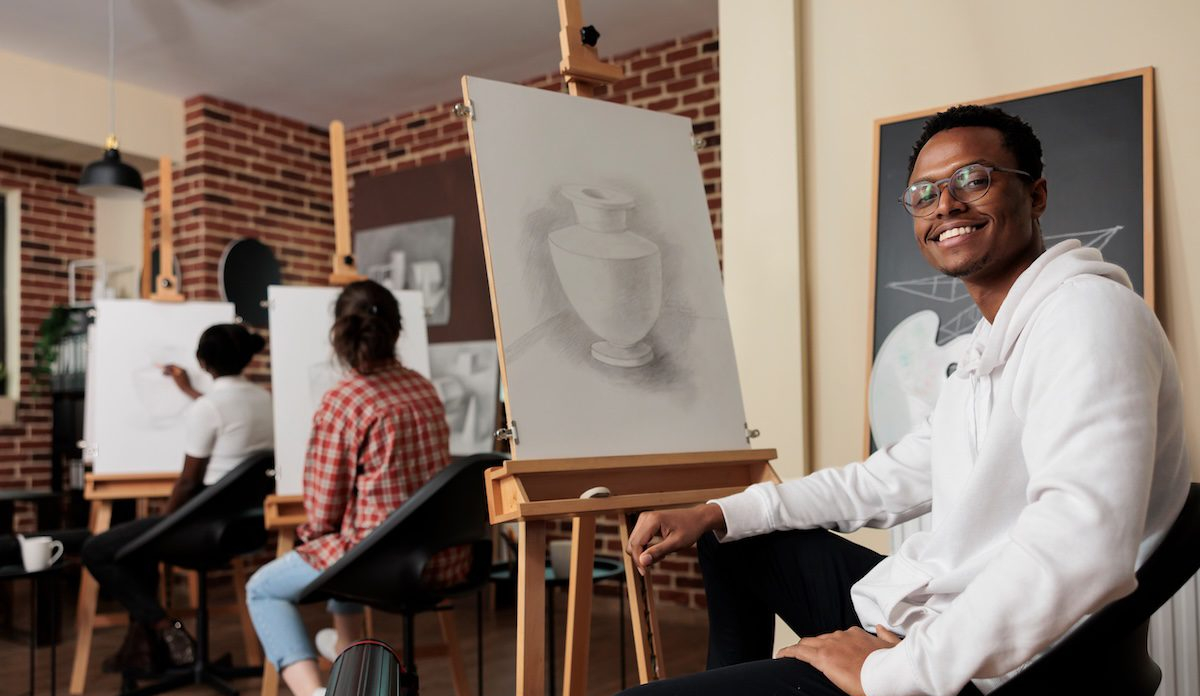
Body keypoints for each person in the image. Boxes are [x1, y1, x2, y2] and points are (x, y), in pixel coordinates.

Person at [622, 105, 1190, 696]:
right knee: (732, 539)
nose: (945, 205)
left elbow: (1080, 547)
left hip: (990, 671)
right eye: (924, 193)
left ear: (1036, 195)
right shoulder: (987, 345)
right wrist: (718, 510)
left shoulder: (1086, 318)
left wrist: (889, 673)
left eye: (974, 179)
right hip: (933, 622)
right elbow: (881, 480)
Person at [245, 279, 469, 696]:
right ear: (397, 332)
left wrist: (313, 537)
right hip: (439, 558)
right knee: (348, 539)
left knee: (262, 588)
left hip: (378, 564)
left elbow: (322, 508)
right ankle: (347, 645)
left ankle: (313, 692)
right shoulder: (424, 388)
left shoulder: (344, 399)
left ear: (341, 334)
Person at [82, 323, 273, 675]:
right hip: (243, 530)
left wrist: (162, 525)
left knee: (97, 549)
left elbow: (187, 483)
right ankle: (149, 651)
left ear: (202, 361)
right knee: (139, 550)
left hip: (202, 531)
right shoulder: (265, 402)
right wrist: (188, 391)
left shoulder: (210, 409)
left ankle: (164, 628)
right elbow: (226, 418)